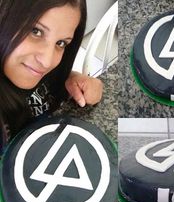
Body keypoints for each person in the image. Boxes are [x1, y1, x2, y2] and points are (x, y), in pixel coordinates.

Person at [0, 0, 103, 148]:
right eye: (35, 31)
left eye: (61, 43)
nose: (47, 62)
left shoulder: (41, 72)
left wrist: (73, 78)